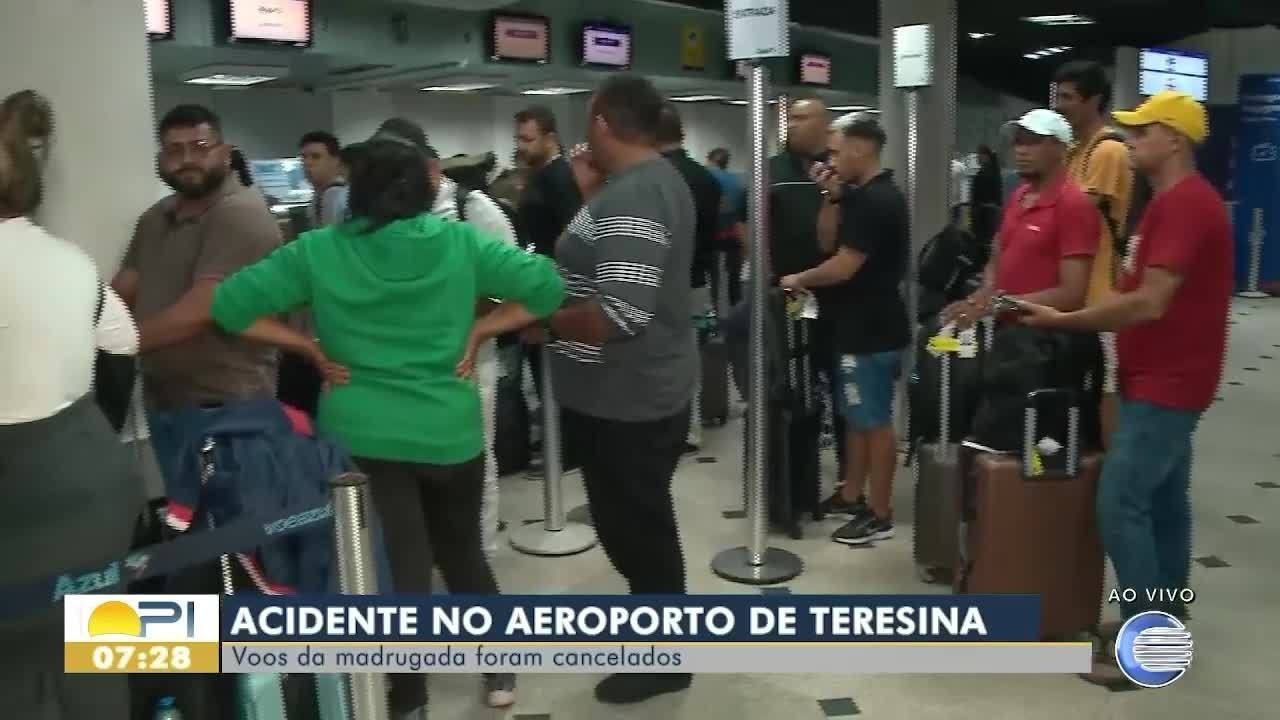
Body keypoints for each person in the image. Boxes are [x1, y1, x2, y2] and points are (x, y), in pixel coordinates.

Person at [209, 137, 566, 716]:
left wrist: (306, 345)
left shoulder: (318, 250)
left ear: (356, 191)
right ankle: (499, 667)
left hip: (362, 435)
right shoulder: (460, 242)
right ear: (427, 188)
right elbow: (548, 288)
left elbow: (229, 307)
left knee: (397, 569)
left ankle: (407, 692)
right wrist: (480, 332)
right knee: (463, 554)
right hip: (449, 427)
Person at [469, 74, 696, 706]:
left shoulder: (637, 195)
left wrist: (543, 320)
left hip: (629, 398)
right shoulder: (637, 185)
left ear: (601, 121)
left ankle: (664, 661)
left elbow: (618, 316)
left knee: (638, 532)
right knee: (637, 525)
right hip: (624, 393)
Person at [1015, 91, 1229, 686]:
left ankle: (1151, 647)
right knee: (1163, 504)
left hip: (1171, 382)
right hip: (1155, 376)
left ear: (1175, 140)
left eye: (1142, 132)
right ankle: (1165, 619)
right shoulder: (1166, 203)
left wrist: (1065, 320)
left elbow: (1150, 302)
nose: (1129, 141)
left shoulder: (1186, 205)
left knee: (1120, 501)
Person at [0, 89, 142, 720]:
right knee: (92, 646)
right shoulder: (73, 263)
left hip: (18, 497)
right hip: (90, 478)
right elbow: (122, 346)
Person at [369, 119, 522, 553]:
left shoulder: (476, 210)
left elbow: (511, 289)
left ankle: (477, 553)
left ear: (432, 168)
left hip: (466, 362)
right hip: (401, 367)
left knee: (474, 459)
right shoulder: (380, 215)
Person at [779, 115, 910, 545]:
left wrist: (799, 279)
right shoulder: (858, 197)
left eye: (836, 151)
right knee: (855, 417)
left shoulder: (879, 200)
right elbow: (825, 241)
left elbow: (843, 265)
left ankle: (880, 511)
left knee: (874, 422)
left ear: (859, 148)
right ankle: (852, 493)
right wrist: (831, 197)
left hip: (874, 328)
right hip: (852, 325)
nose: (830, 159)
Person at [942, 109, 1100, 327]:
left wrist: (999, 304)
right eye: (1018, 142)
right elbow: (997, 257)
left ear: (1061, 148)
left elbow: (1072, 294)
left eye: (1033, 142)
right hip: (1008, 333)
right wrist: (980, 297)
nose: (1021, 151)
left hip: (1045, 340)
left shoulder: (1073, 204)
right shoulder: (1019, 196)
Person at [1054, 60, 1137, 446]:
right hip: (1076, 294)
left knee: (1105, 392)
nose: (1059, 105)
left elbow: (1074, 211)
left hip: (1103, 297)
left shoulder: (1108, 152)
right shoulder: (1074, 152)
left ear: (1094, 101)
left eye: (1068, 97)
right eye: (1057, 95)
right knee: (1083, 387)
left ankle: (1112, 476)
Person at [656, 101, 722, 452]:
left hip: (660, 286)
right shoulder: (705, 178)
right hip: (697, 282)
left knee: (659, 361)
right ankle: (690, 430)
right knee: (690, 358)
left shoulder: (653, 178)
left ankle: (666, 429)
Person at [514, 105, 583, 404]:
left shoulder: (559, 179)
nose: (521, 146)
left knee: (557, 382)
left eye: (528, 139)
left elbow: (571, 240)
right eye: (519, 139)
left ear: (550, 138)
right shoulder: (539, 176)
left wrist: (556, 308)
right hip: (539, 281)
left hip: (556, 289)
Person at [706, 147, 746, 309]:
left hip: (713, 232)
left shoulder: (707, 178)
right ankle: (735, 306)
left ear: (711, 160)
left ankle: (713, 308)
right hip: (734, 233)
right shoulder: (736, 180)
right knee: (734, 274)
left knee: (712, 274)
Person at [299, 130, 349, 228]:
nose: (307, 163)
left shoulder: (338, 195)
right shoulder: (319, 196)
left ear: (336, 160)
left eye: (316, 157)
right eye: (304, 157)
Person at [970, 144, 1003, 246]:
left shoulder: (987, 173)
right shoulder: (992, 171)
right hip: (986, 213)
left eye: (979, 155)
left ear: (986, 156)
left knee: (984, 243)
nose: (977, 158)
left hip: (985, 214)